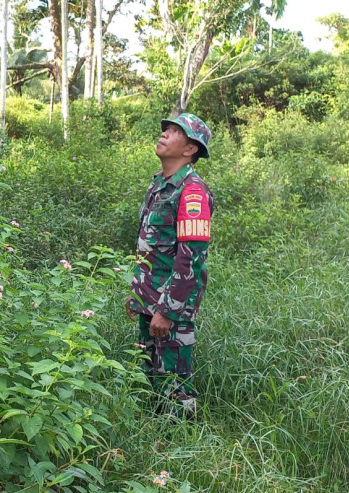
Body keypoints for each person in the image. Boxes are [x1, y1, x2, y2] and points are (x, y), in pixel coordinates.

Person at [126, 113, 214, 418]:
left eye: (176, 132)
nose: (164, 134)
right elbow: (150, 247)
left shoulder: (192, 192)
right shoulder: (160, 185)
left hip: (171, 305)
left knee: (174, 384)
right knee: (148, 376)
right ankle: (154, 440)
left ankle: (184, 445)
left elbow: (190, 258)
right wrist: (137, 295)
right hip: (150, 298)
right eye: (166, 129)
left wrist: (167, 310)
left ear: (190, 149)